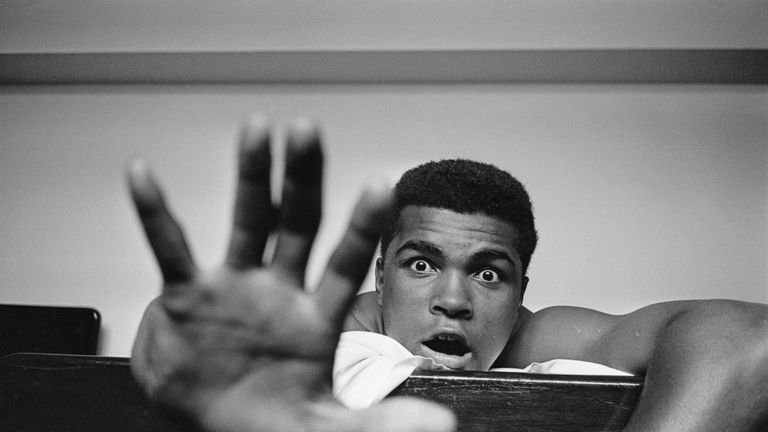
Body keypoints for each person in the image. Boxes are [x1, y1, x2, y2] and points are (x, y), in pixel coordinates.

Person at [128, 115, 768, 432]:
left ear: (521, 291)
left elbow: (746, 338)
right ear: (382, 272)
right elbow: (177, 332)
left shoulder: (529, 335)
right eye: (423, 264)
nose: (454, 299)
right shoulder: (324, 325)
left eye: (490, 275)